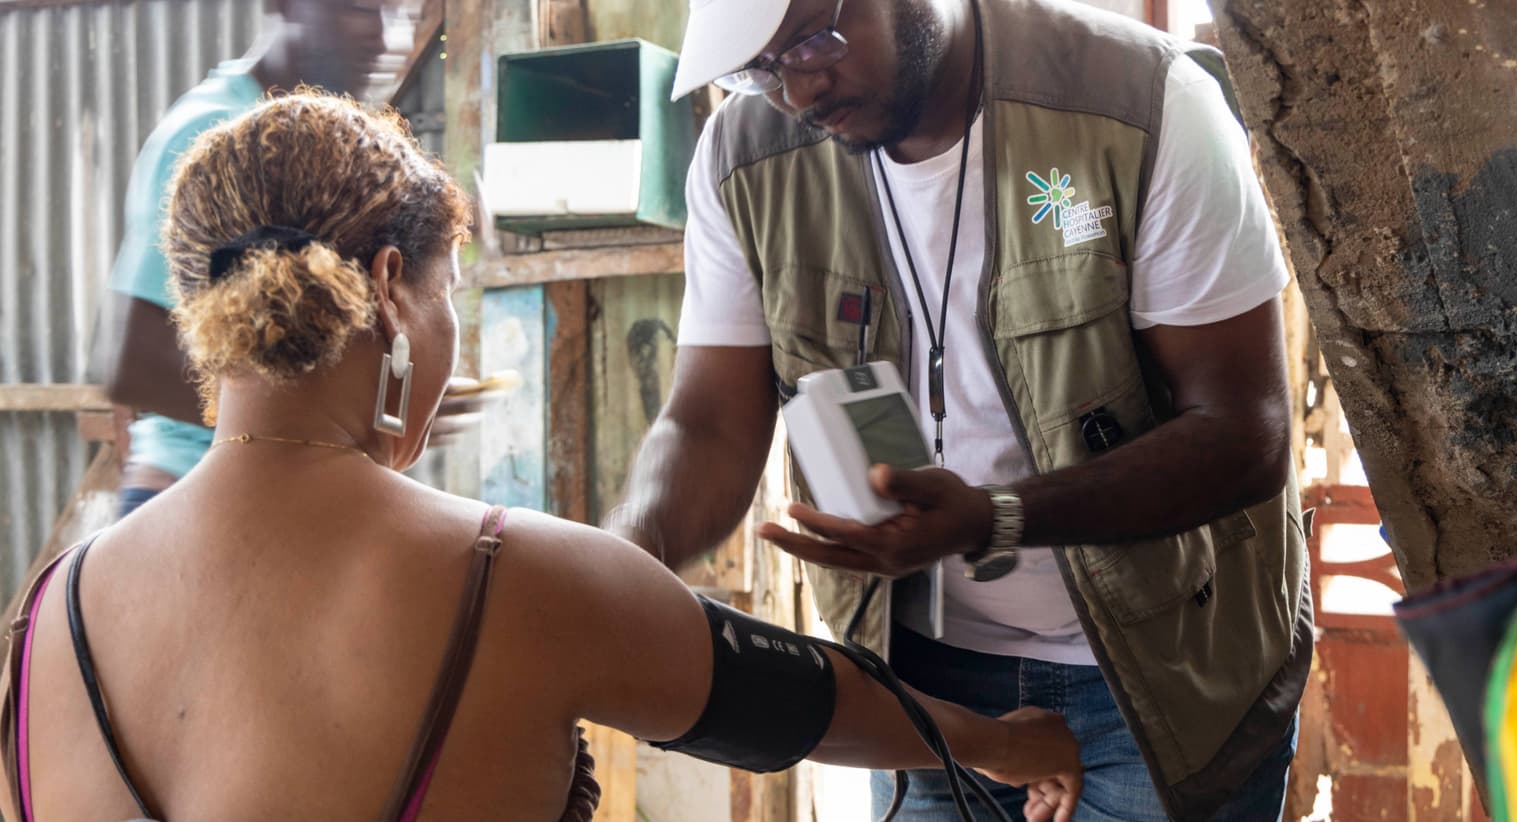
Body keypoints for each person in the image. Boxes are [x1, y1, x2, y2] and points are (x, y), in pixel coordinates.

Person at [4, 91, 1082, 821]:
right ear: (391, 289)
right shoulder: (508, 576)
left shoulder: (47, 614)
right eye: (450, 295)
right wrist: (1008, 741)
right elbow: (805, 702)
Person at [607, 0, 1314, 819]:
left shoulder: (1142, 101)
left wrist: (994, 518)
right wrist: (619, 563)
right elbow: (709, 424)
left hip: (1171, 674)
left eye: (808, 42)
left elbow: (1243, 433)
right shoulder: (745, 157)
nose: (797, 93)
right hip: (920, 687)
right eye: (757, 69)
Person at [97, 0, 481, 518]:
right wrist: (334, 414)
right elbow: (132, 364)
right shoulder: (219, 136)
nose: (387, 37)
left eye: (400, 14)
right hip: (195, 495)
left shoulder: (324, 150)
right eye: (359, 8)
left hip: (283, 492)